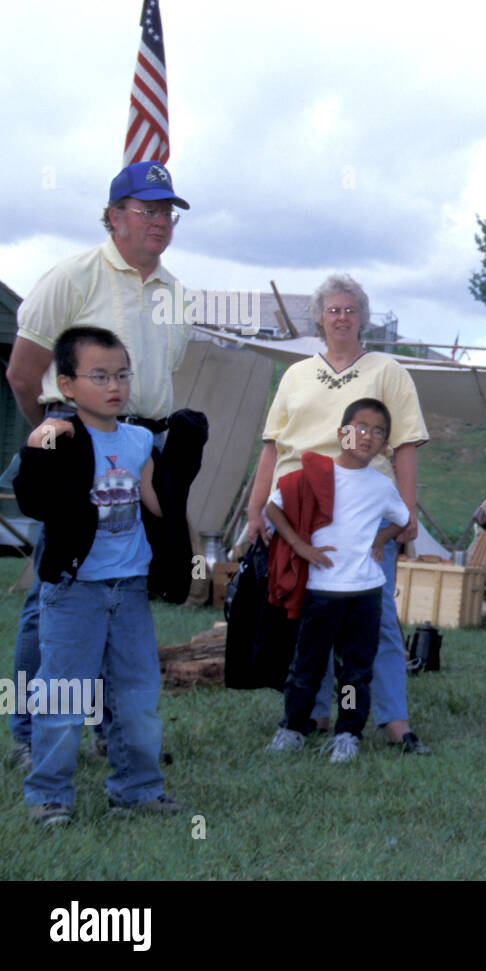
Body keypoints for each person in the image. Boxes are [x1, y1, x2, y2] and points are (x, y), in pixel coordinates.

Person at [6, 161, 191, 773]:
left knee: (129, 587)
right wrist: (54, 440)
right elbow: (22, 372)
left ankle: (120, 733)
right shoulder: (71, 276)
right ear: (113, 216)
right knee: (55, 589)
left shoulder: (175, 293)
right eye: (147, 209)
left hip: (143, 450)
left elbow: (159, 381)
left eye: (168, 211)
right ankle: (34, 728)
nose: (160, 221)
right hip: (77, 444)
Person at [246, 274, 430, 754]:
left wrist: (406, 514)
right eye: (333, 309)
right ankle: (317, 712)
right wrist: (255, 507)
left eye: (350, 309)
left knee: (376, 616)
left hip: (365, 506)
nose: (341, 317)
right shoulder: (295, 374)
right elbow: (272, 446)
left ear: (362, 318)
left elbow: (406, 444)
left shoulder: (387, 371)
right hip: (301, 503)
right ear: (320, 317)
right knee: (308, 613)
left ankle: (394, 720)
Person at [14, 328, 184, 824]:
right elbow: (32, 495)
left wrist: (181, 462)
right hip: (73, 592)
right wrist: (44, 435)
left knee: (136, 699)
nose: (114, 385)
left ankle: (137, 789)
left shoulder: (139, 440)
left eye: (122, 375)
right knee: (63, 697)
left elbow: (156, 503)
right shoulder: (63, 437)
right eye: (100, 376)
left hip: (128, 589)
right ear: (67, 385)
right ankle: (49, 795)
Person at [263, 399, 411, 763]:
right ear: (342, 432)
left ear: (385, 445)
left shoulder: (381, 485)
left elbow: (405, 521)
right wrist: (299, 546)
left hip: (364, 593)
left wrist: (380, 539)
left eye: (378, 433)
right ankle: (292, 727)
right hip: (321, 591)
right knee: (306, 666)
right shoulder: (316, 473)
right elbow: (272, 507)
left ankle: (348, 732)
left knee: (355, 670)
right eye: (361, 427)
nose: (368, 437)